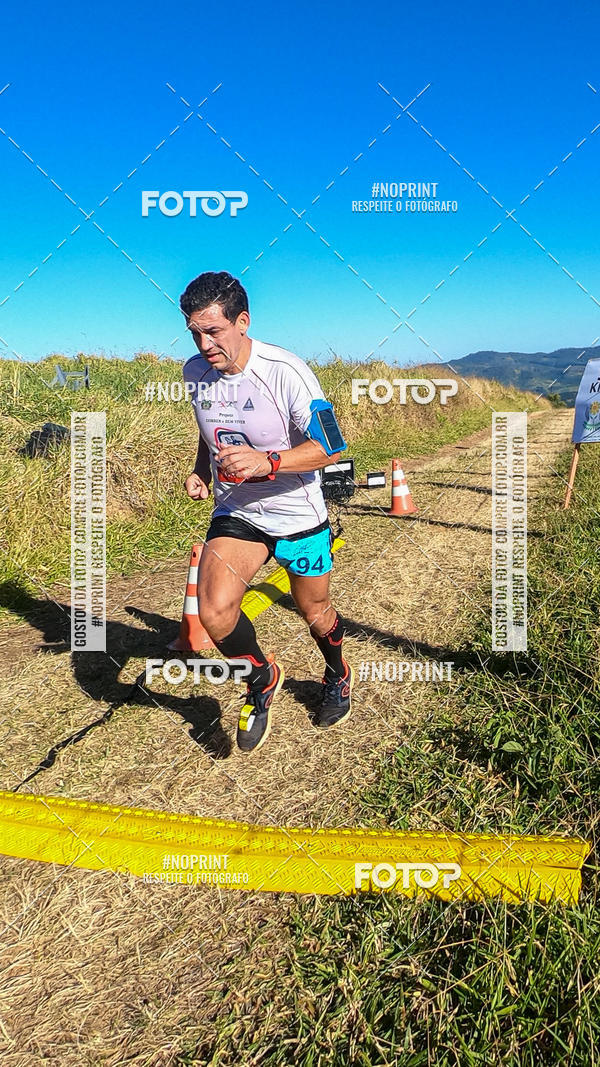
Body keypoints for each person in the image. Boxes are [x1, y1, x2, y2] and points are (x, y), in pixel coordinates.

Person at [180, 270, 353, 753]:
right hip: (238, 511)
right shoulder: (195, 372)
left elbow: (332, 446)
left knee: (314, 611)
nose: (204, 342)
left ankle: (337, 674)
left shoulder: (286, 371)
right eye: (194, 331)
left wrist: (268, 461)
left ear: (243, 321)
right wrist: (204, 470)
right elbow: (208, 428)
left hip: (296, 513)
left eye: (213, 330)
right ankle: (261, 678)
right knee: (214, 611)